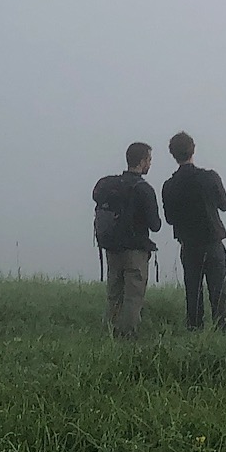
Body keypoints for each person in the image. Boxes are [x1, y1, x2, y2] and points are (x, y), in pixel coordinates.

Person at [160, 131, 226, 333]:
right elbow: (224, 205)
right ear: (193, 149)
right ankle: (221, 330)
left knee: (193, 291)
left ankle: (194, 330)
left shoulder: (169, 185)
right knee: (218, 292)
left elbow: (170, 219)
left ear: (173, 154)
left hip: (189, 245)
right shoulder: (210, 177)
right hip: (212, 242)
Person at [91, 142, 161, 339]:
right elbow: (155, 225)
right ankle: (127, 337)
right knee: (133, 295)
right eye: (149, 159)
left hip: (111, 248)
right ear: (142, 161)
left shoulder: (109, 185)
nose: (150, 164)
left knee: (114, 294)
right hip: (135, 251)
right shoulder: (144, 189)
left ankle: (109, 333)